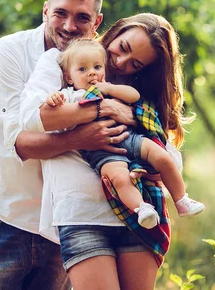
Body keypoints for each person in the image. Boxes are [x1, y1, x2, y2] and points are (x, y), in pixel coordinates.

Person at [0, 0, 136, 290]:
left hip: (63, 222)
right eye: (60, 13)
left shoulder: (97, 65)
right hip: (1, 215)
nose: (69, 26)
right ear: (45, 11)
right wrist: (90, 127)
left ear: (96, 23)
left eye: (82, 18)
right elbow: (23, 145)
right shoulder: (10, 52)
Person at [20, 13, 194, 289]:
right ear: (116, 30)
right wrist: (101, 111)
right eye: (123, 48)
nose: (121, 62)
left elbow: (171, 158)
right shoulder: (70, 59)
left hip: (141, 215)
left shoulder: (136, 93)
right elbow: (33, 118)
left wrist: (135, 120)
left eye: (135, 63)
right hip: (82, 214)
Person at [45, 39, 204, 229]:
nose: (92, 73)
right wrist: (53, 98)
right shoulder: (70, 95)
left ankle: (181, 199)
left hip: (131, 138)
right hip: (103, 152)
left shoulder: (110, 88)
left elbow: (134, 96)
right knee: (119, 179)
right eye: (82, 69)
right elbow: (54, 111)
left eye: (97, 66)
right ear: (69, 77)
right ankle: (141, 208)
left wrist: (109, 88)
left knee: (162, 157)